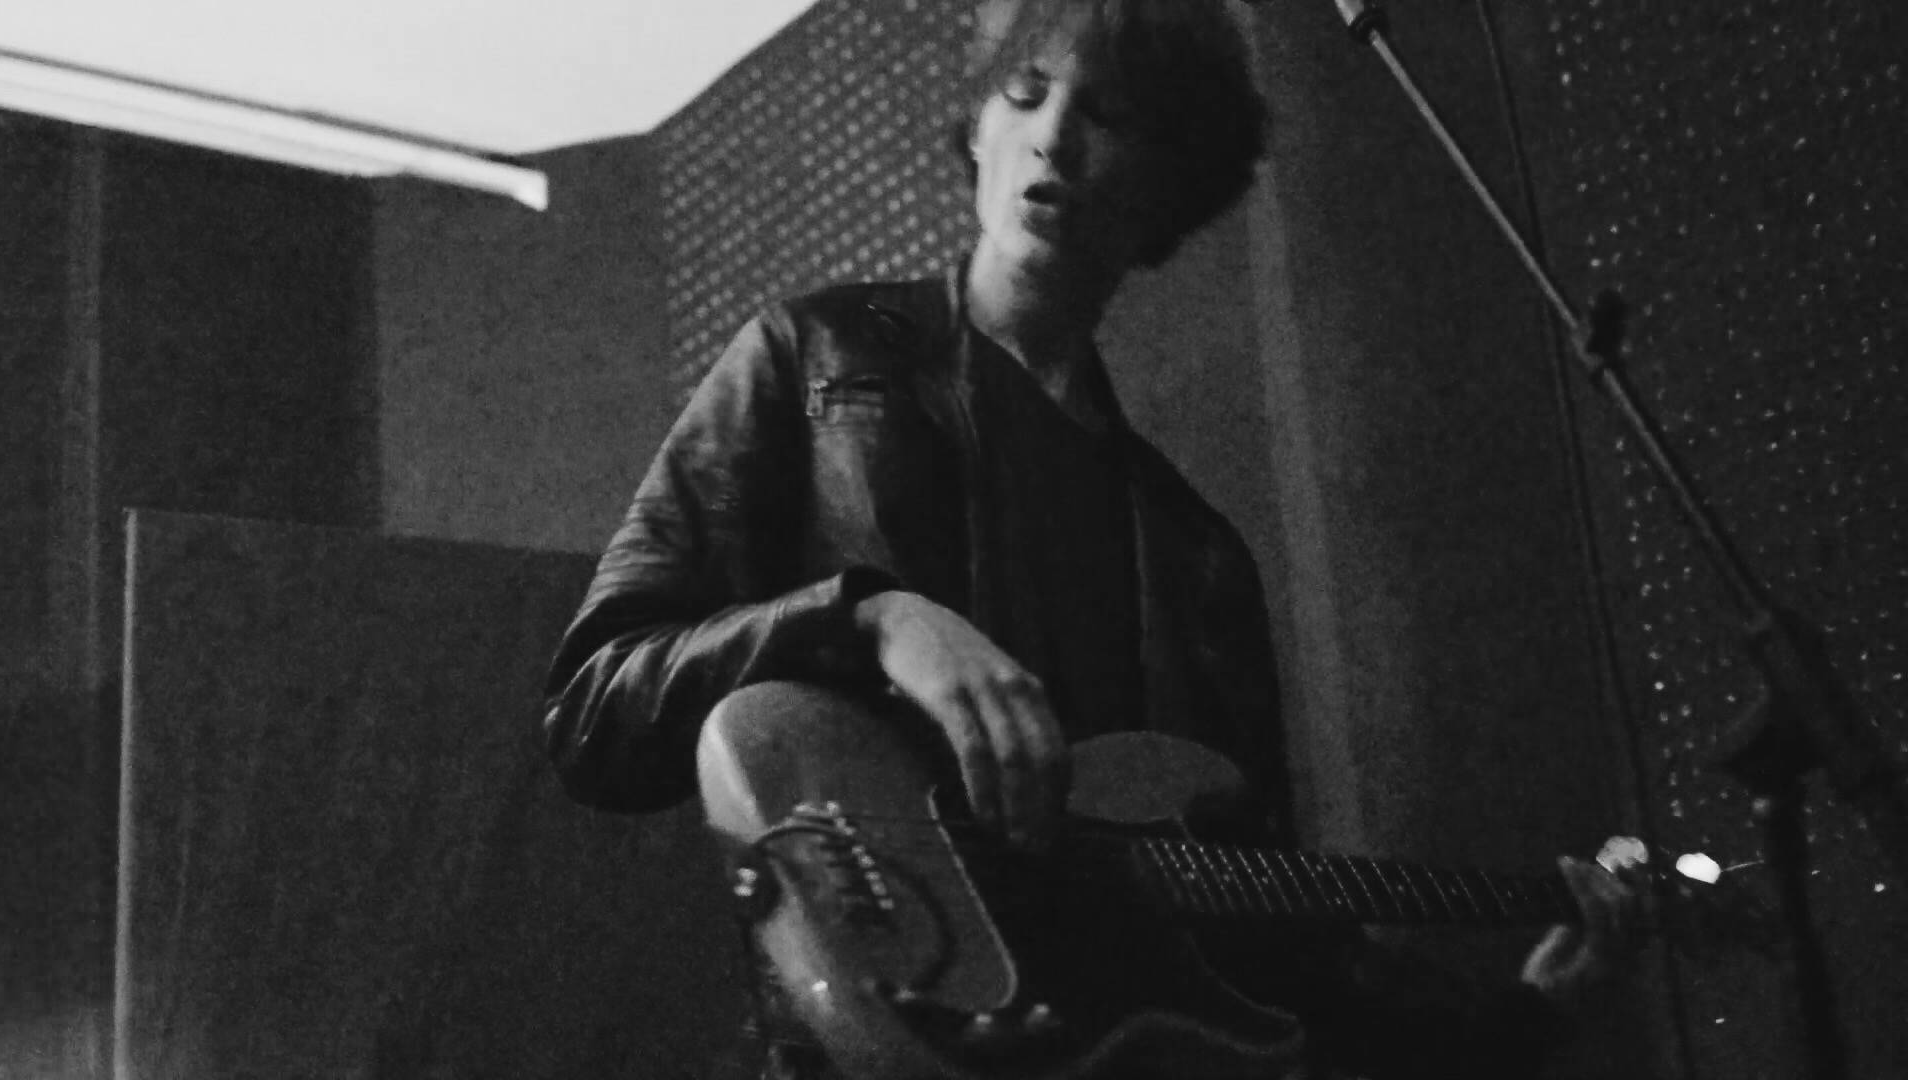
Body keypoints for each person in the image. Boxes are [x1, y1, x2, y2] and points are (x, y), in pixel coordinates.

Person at [543, 0, 1643, 1076]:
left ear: (1170, 185)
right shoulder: (816, 356)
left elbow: (1281, 967)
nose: (1054, 137)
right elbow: (597, 707)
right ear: (977, 129)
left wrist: (1526, 1018)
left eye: (1107, 115)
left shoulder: (1199, 562)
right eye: (1025, 94)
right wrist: (872, 619)